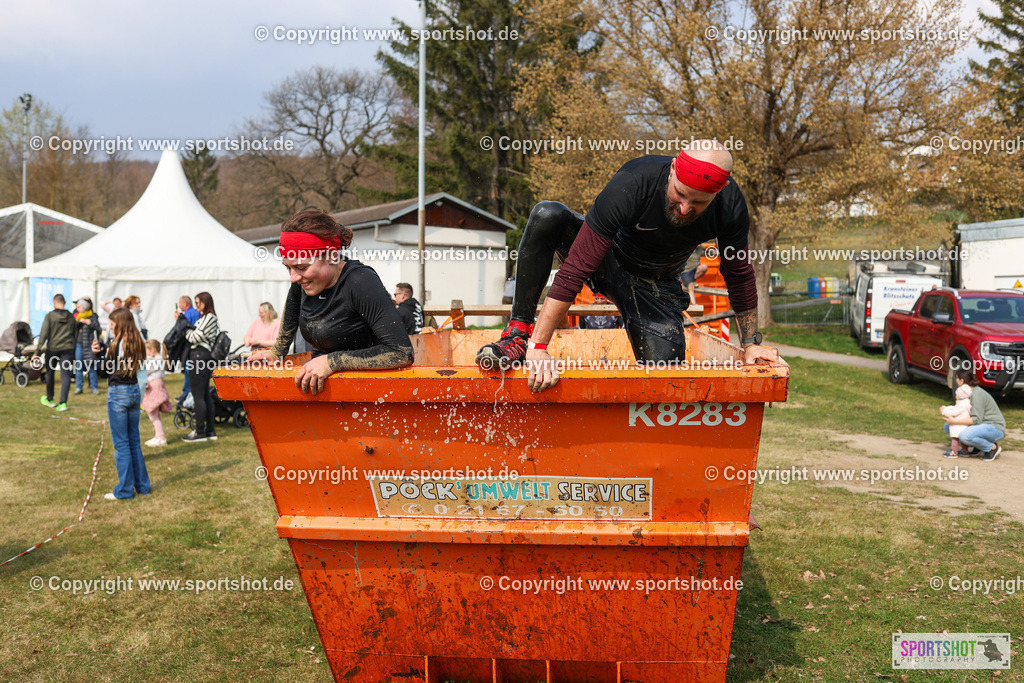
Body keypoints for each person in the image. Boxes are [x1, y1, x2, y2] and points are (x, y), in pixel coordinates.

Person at [475, 141, 777, 391]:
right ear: (672, 170)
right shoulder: (635, 179)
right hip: (604, 260)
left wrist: (750, 344)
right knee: (548, 215)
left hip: (655, 288)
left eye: (698, 203)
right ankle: (517, 335)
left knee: (665, 383)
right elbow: (577, 266)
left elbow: (739, 274)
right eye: (680, 194)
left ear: (718, 192)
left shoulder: (731, 206)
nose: (685, 208)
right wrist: (539, 348)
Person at [249, 209, 414, 394]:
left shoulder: (360, 281)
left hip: (370, 392)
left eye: (301, 267)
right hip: (325, 389)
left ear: (332, 256)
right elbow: (292, 311)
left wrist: (332, 361)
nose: (294, 277)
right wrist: (277, 352)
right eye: (288, 268)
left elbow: (401, 353)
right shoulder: (302, 283)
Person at [94, 308, 150, 500]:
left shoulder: (118, 343)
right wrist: (104, 351)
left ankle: (125, 490)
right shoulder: (137, 342)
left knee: (122, 445)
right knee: (134, 441)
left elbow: (106, 371)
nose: (110, 327)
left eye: (112, 323)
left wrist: (100, 355)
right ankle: (142, 486)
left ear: (120, 324)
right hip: (134, 391)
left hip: (119, 393)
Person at [180, 291, 219, 443]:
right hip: (201, 357)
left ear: (205, 302)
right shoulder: (205, 317)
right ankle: (209, 431)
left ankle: (200, 431)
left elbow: (195, 337)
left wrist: (186, 329)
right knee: (204, 395)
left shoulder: (210, 318)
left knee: (199, 395)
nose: (196, 306)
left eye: (198, 302)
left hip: (200, 357)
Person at [942, 368, 1006, 461]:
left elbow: (976, 419)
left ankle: (991, 448)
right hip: (982, 425)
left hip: (995, 427)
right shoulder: (967, 392)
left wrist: (955, 421)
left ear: (962, 380)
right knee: (948, 426)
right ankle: (978, 447)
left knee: (964, 436)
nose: (956, 380)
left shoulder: (976, 394)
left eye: (956, 378)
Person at [35, 293, 77, 411]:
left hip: (52, 349)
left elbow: (44, 334)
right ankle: (63, 403)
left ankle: (50, 399)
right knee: (65, 376)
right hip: (67, 349)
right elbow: (74, 333)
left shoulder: (50, 316)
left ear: (54, 302)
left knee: (50, 373)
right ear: (64, 302)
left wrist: (37, 351)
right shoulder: (71, 317)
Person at [142, 339, 173, 447]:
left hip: (154, 389)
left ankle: (161, 437)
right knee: (154, 415)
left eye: (146, 350)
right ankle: (158, 435)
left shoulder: (157, 360)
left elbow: (146, 369)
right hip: (154, 387)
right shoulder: (157, 359)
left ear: (152, 350)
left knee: (153, 415)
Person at [73, 297, 101, 394]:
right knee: (78, 366)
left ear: (85, 308)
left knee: (91, 367)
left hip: (89, 346)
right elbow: (72, 328)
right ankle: (79, 387)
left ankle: (94, 387)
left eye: (79, 307)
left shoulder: (92, 317)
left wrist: (90, 323)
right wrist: (78, 322)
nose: (78, 309)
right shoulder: (77, 317)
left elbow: (98, 328)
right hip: (79, 345)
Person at [175, 296, 201, 402]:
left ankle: (186, 393)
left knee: (188, 369)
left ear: (185, 304)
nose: (179, 306)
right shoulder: (197, 312)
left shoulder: (185, 315)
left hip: (189, 346)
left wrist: (178, 320)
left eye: (180, 304)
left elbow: (181, 330)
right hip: (199, 346)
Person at [940, 383, 973, 458]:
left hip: (958, 424)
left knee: (955, 438)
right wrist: (947, 407)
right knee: (962, 440)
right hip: (965, 424)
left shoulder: (961, 405)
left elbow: (954, 412)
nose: (955, 396)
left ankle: (954, 451)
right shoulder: (968, 403)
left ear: (960, 396)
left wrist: (944, 411)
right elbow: (954, 407)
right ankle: (965, 451)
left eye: (957, 395)